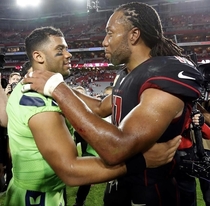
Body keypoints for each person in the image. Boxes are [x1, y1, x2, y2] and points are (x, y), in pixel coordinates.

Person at [22, 2, 203, 205]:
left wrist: (58, 89)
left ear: (133, 35)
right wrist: (50, 83)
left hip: (155, 192)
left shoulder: (161, 82)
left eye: (110, 33)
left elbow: (117, 149)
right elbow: (100, 108)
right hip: (126, 184)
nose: (104, 42)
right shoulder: (128, 75)